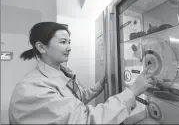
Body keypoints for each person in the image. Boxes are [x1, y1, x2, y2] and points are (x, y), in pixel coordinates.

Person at [9, 22, 155, 124]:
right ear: (41, 47)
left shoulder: (62, 73)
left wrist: (100, 85)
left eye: (69, 42)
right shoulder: (32, 89)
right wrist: (133, 91)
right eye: (63, 42)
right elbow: (84, 120)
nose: (69, 47)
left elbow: (76, 99)